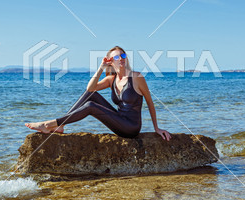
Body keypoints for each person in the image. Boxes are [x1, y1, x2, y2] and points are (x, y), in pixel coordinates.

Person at [25, 46, 171, 141]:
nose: (120, 59)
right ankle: (61, 126)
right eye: (116, 57)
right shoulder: (111, 79)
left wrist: (156, 128)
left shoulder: (137, 77)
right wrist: (101, 68)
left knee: (91, 106)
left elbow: (150, 102)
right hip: (118, 120)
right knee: (91, 96)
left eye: (123, 56)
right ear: (111, 62)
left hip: (131, 127)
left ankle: (49, 124)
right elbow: (90, 88)